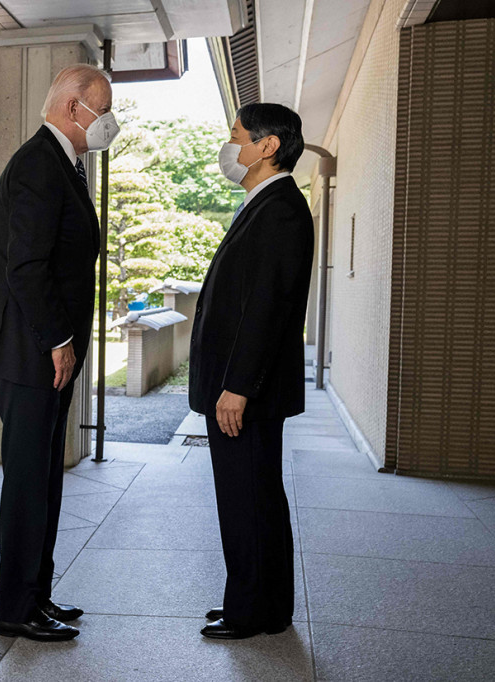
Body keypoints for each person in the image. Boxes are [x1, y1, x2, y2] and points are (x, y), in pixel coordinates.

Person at [0, 63, 118, 642]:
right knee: (29, 481)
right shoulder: (39, 164)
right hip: (31, 352)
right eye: (104, 110)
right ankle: (15, 608)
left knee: (46, 480)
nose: (110, 122)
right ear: (72, 108)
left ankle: (38, 594)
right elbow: (27, 265)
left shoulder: (64, 163)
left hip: (44, 350)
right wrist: (59, 340)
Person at [188, 103, 314, 639]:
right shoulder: (264, 205)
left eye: (236, 136)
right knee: (255, 495)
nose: (230, 146)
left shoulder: (280, 209)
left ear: (267, 146)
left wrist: (237, 385)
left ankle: (250, 612)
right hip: (243, 385)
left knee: (247, 497)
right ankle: (265, 607)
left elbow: (265, 307)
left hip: (246, 390)